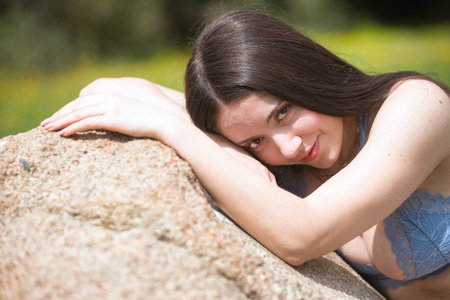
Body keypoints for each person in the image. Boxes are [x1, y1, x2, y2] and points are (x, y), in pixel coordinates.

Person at [41, 10, 449, 300]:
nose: (288, 147)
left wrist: (175, 129)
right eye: (255, 142)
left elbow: (301, 236)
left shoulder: (418, 106)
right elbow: (106, 90)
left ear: (306, 72)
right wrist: (223, 147)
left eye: (284, 112)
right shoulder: (254, 135)